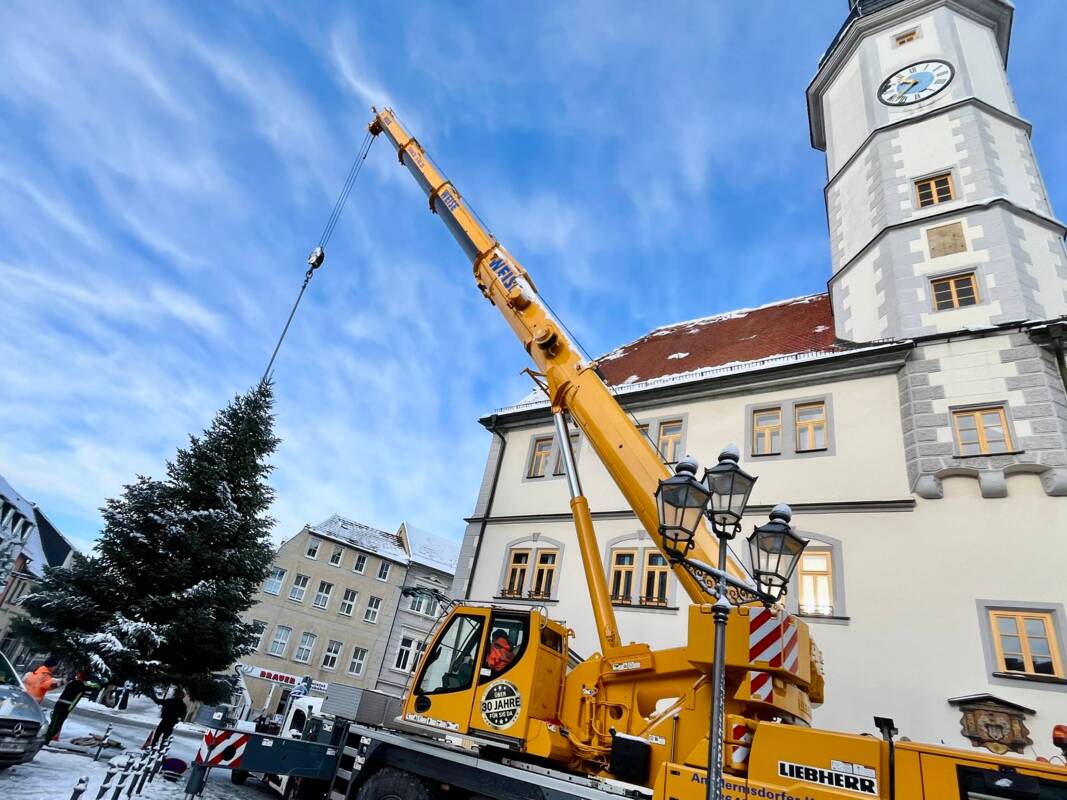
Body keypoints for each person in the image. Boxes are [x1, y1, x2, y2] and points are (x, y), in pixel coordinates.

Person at [45, 670, 96, 742]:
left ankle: (46, 739)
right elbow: (95, 687)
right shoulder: (79, 685)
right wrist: (97, 681)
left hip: (62, 707)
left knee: (56, 725)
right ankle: (45, 740)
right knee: (55, 726)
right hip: (63, 707)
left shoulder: (74, 683)